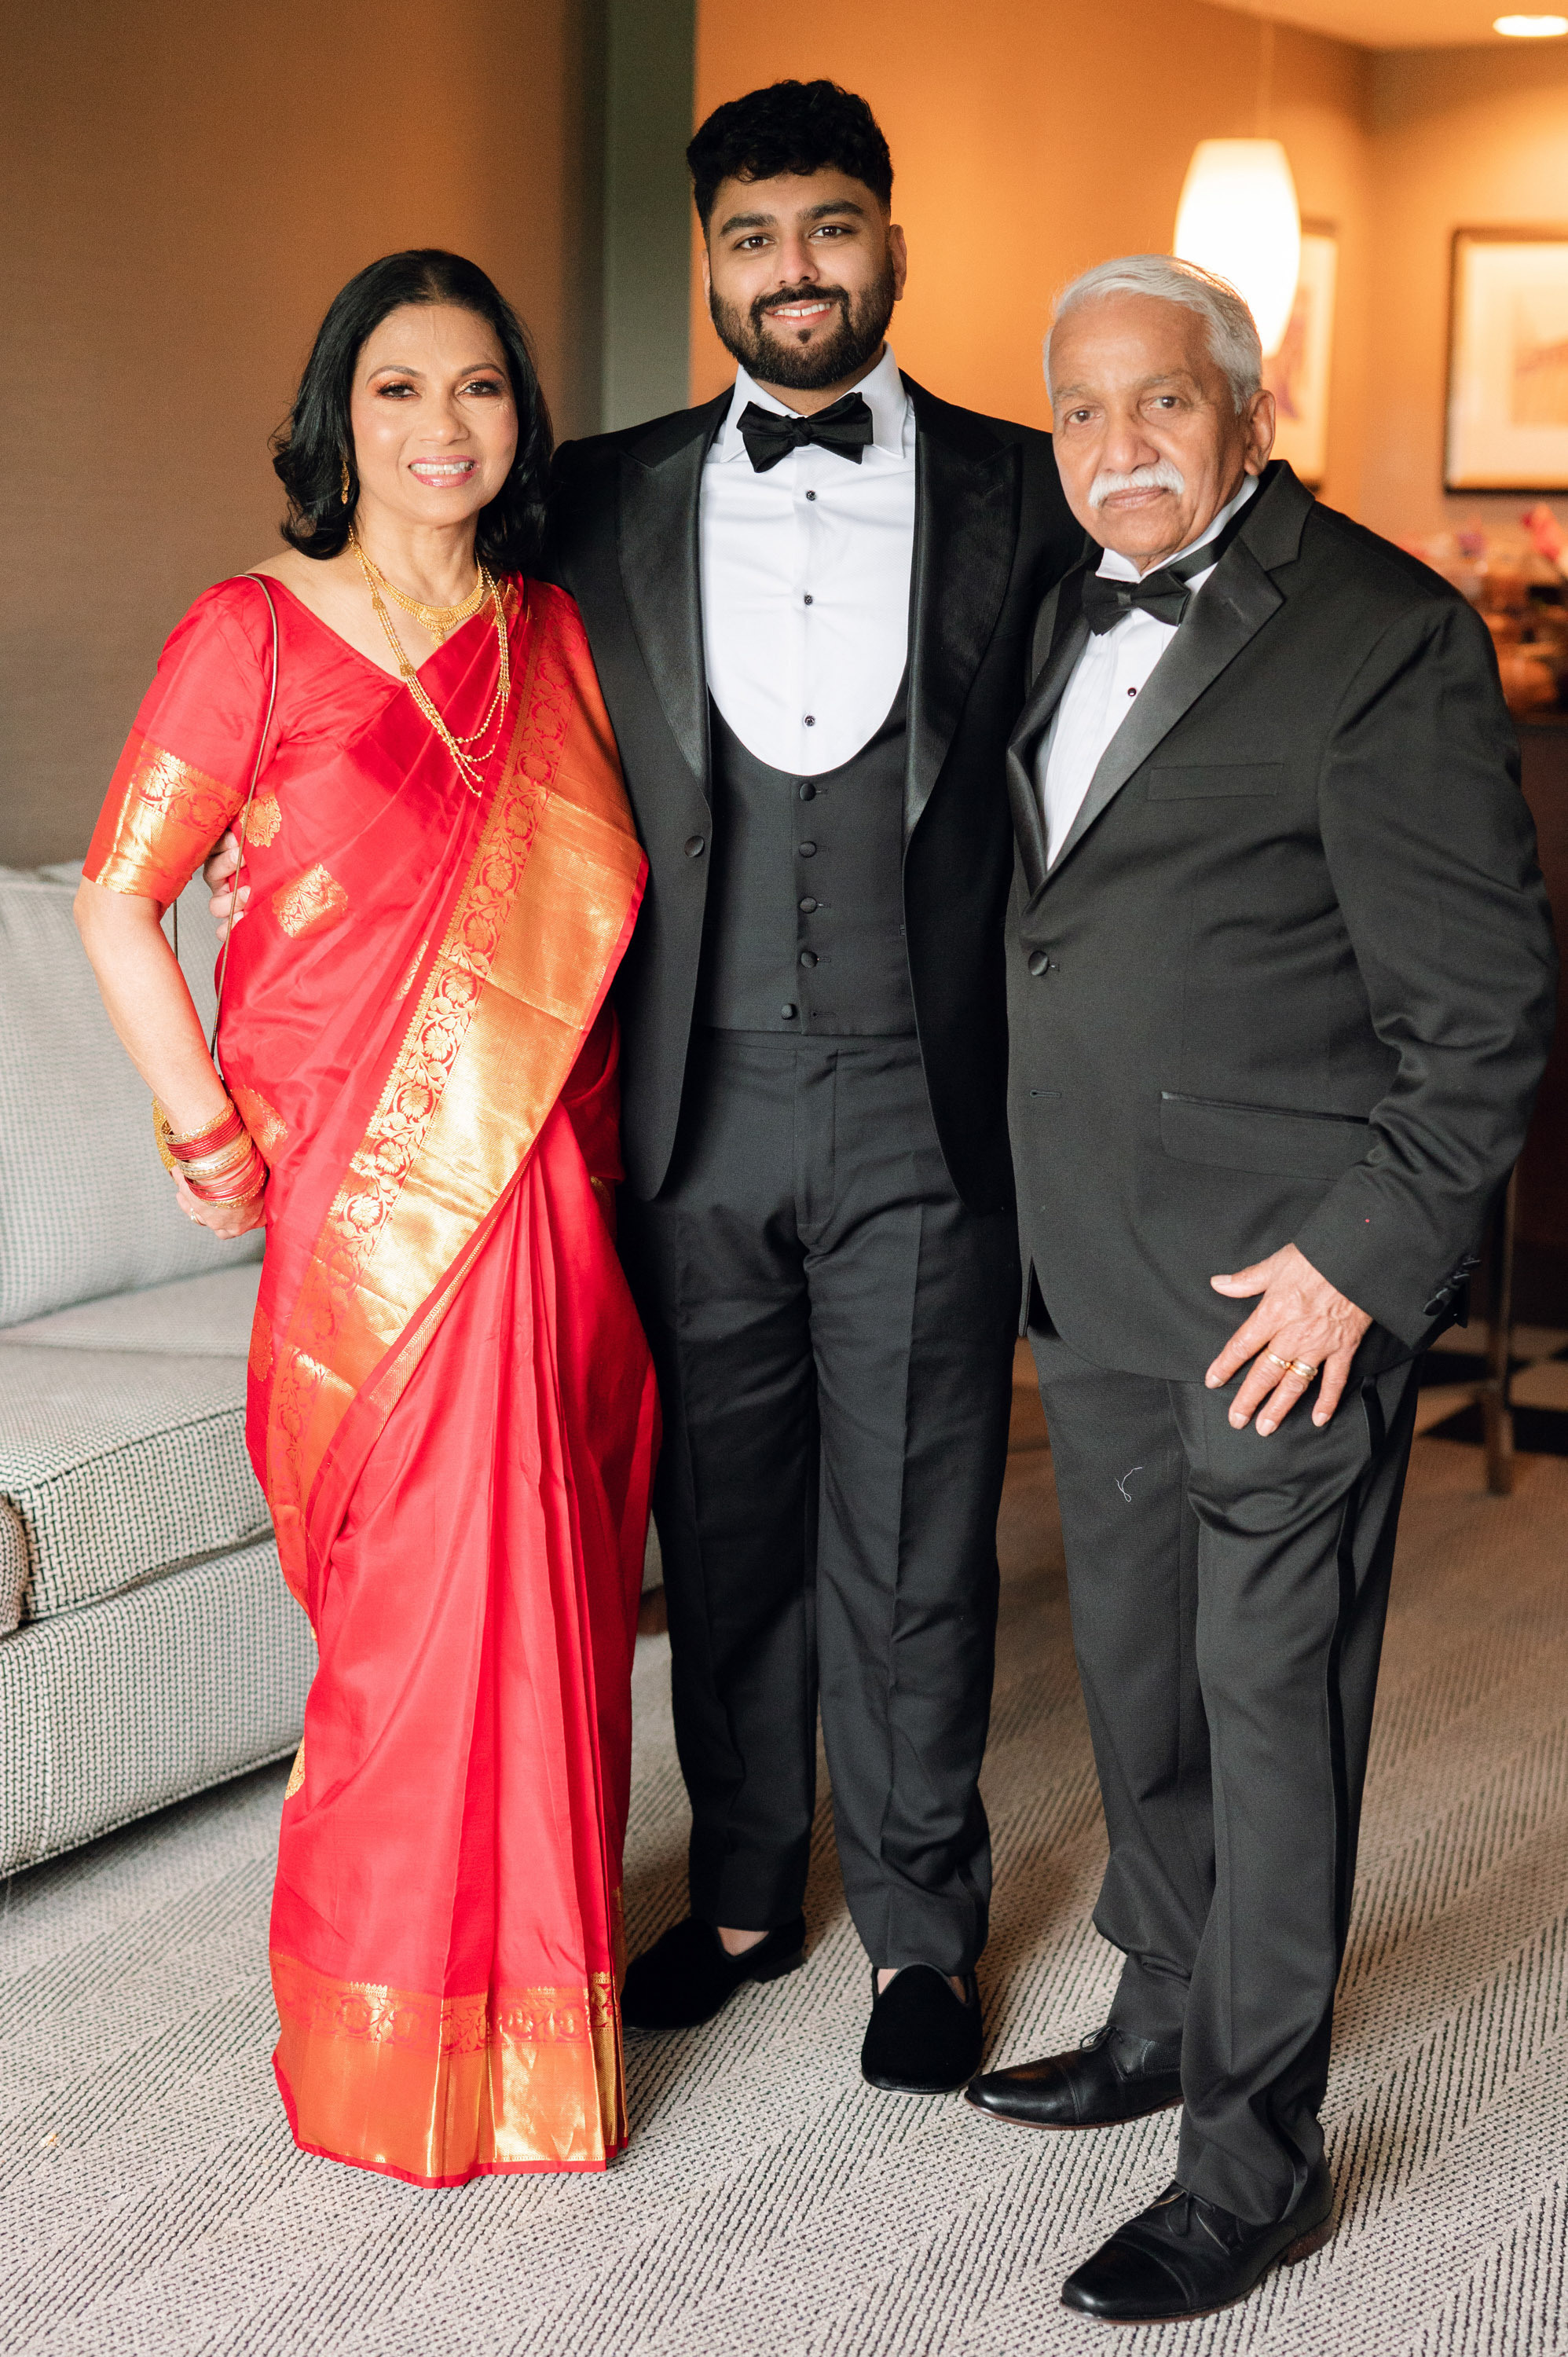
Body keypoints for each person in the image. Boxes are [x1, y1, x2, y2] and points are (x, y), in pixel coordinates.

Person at [965, 255, 1557, 2320]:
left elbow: (1484, 1012)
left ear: (1244, 407)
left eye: (1155, 405)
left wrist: (1355, 1267)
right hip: (1096, 1270)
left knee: (1264, 1708)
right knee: (1137, 1680)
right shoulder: (1057, 604)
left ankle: (1254, 2153)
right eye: (1075, 414)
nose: (1112, 448)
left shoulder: (1379, 635)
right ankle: (1154, 2017)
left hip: (1281, 1294)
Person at [75, 251, 658, 2188]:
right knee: (407, 1634)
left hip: (545, 1205)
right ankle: (384, 2054)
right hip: (355, 1206)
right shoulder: (248, 628)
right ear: (339, 415)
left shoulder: (552, 640)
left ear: (521, 417)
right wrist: (205, 1137)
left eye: (477, 388)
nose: (440, 428)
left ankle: (529, 2047)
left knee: (548, 1604)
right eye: (397, 390)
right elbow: (114, 898)